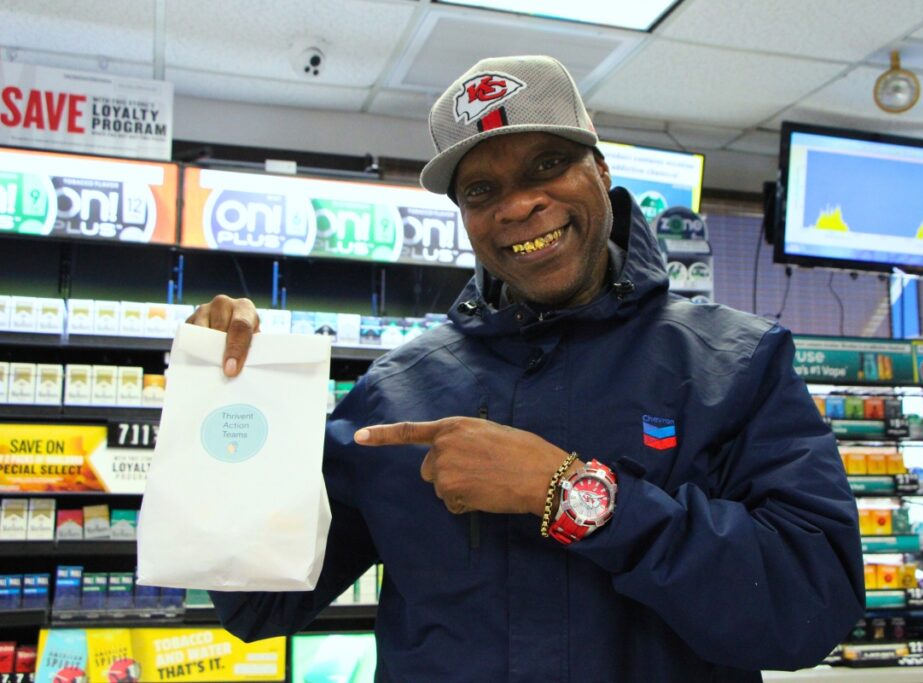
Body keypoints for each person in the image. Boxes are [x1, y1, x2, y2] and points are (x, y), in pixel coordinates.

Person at [197, 55, 864, 682]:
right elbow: (259, 603)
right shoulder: (397, 393)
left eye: (547, 165)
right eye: (482, 189)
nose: (517, 206)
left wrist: (570, 492)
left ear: (601, 170)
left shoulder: (736, 364)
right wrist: (230, 402)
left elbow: (811, 606)